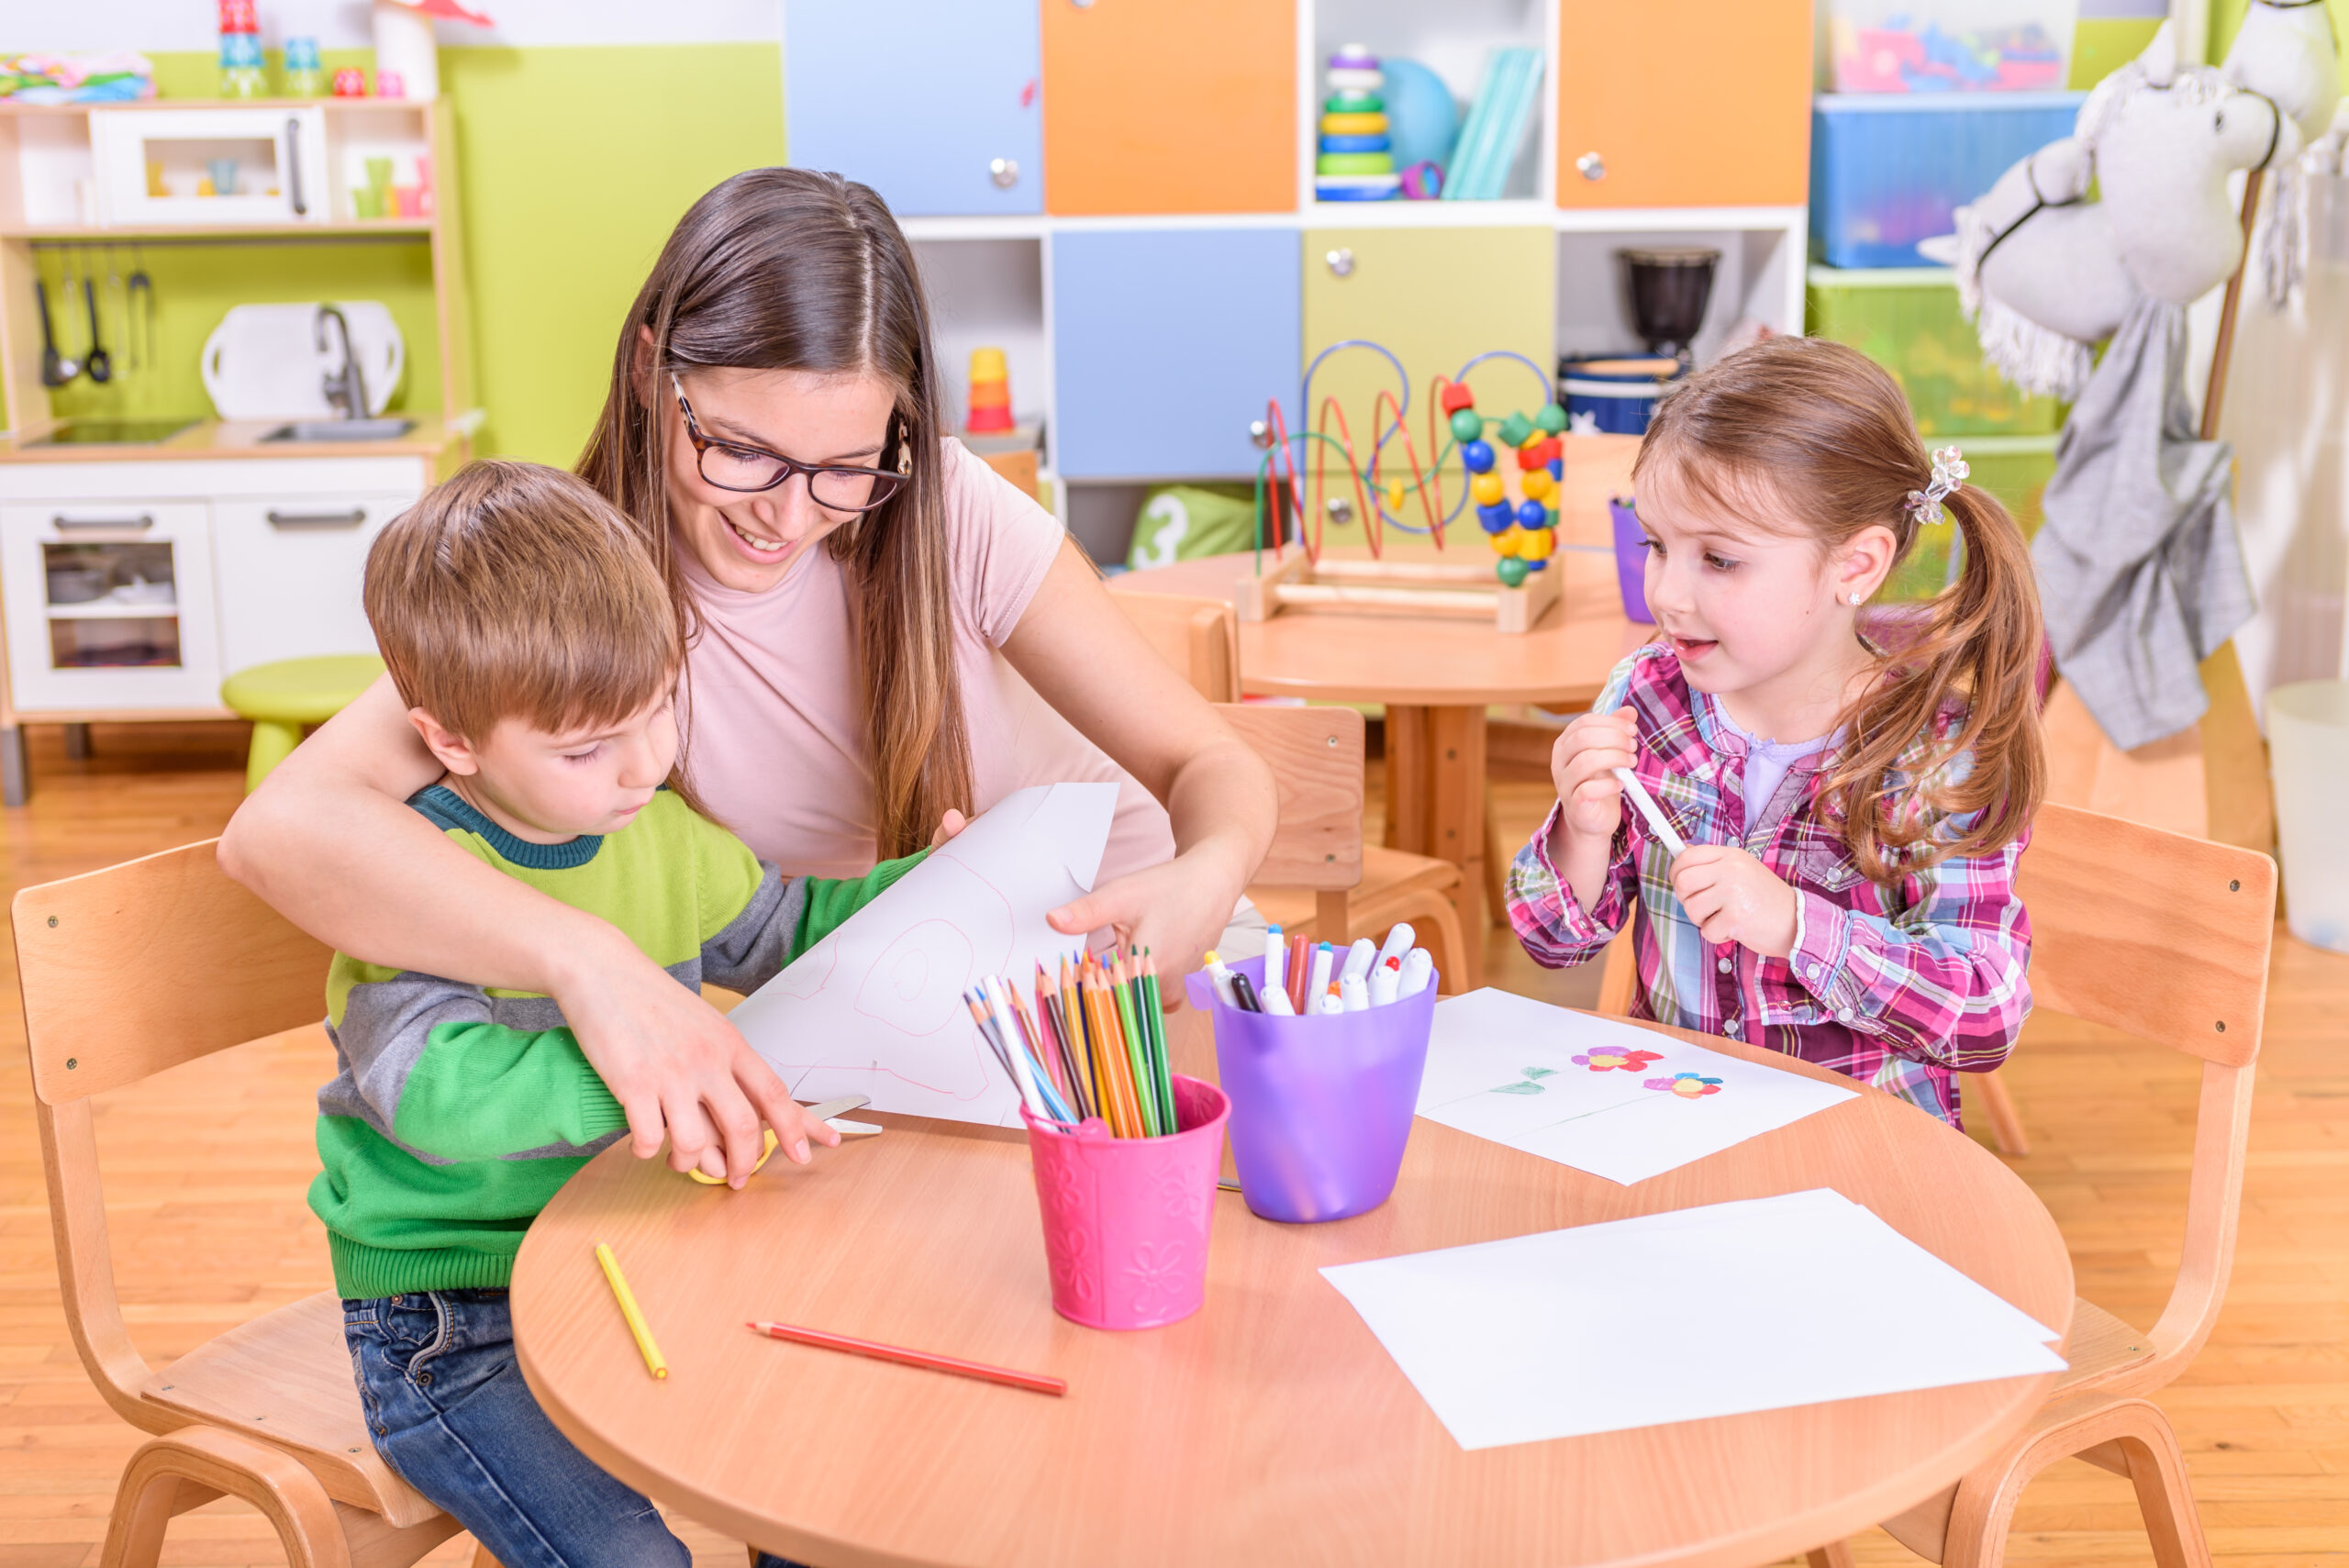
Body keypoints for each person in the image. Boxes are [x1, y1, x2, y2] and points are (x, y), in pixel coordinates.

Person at [220, 167, 1276, 1185]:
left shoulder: (941, 509)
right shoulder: (583, 599)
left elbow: (1209, 763)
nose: (788, 513)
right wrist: (589, 960)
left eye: (846, 466)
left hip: (1127, 992)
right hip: (910, 1043)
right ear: (650, 372)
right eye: (741, 450)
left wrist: (1211, 866)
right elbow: (280, 829)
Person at [323, 461, 941, 1568]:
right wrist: (646, 1064)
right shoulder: (412, 877)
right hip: (451, 1318)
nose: (644, 765)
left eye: (659, 707)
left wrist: (933, 884)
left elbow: (792, 926)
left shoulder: (654, 829)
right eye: (584, 747)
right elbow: (433, 1096)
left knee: (831, 1494)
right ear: (454, 741)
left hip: (637, 1257)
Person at [1506, 338, 2045, 1129]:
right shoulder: (1646, 696)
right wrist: (1580, 837)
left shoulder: (1936, 753)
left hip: (1863, 1157)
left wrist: (1797, 926)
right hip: (1673, 1130)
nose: (1669, 594)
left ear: (1856, 567)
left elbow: (1984, 1011)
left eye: (1720, 560)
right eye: (1657, 545)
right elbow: (1553, 944)